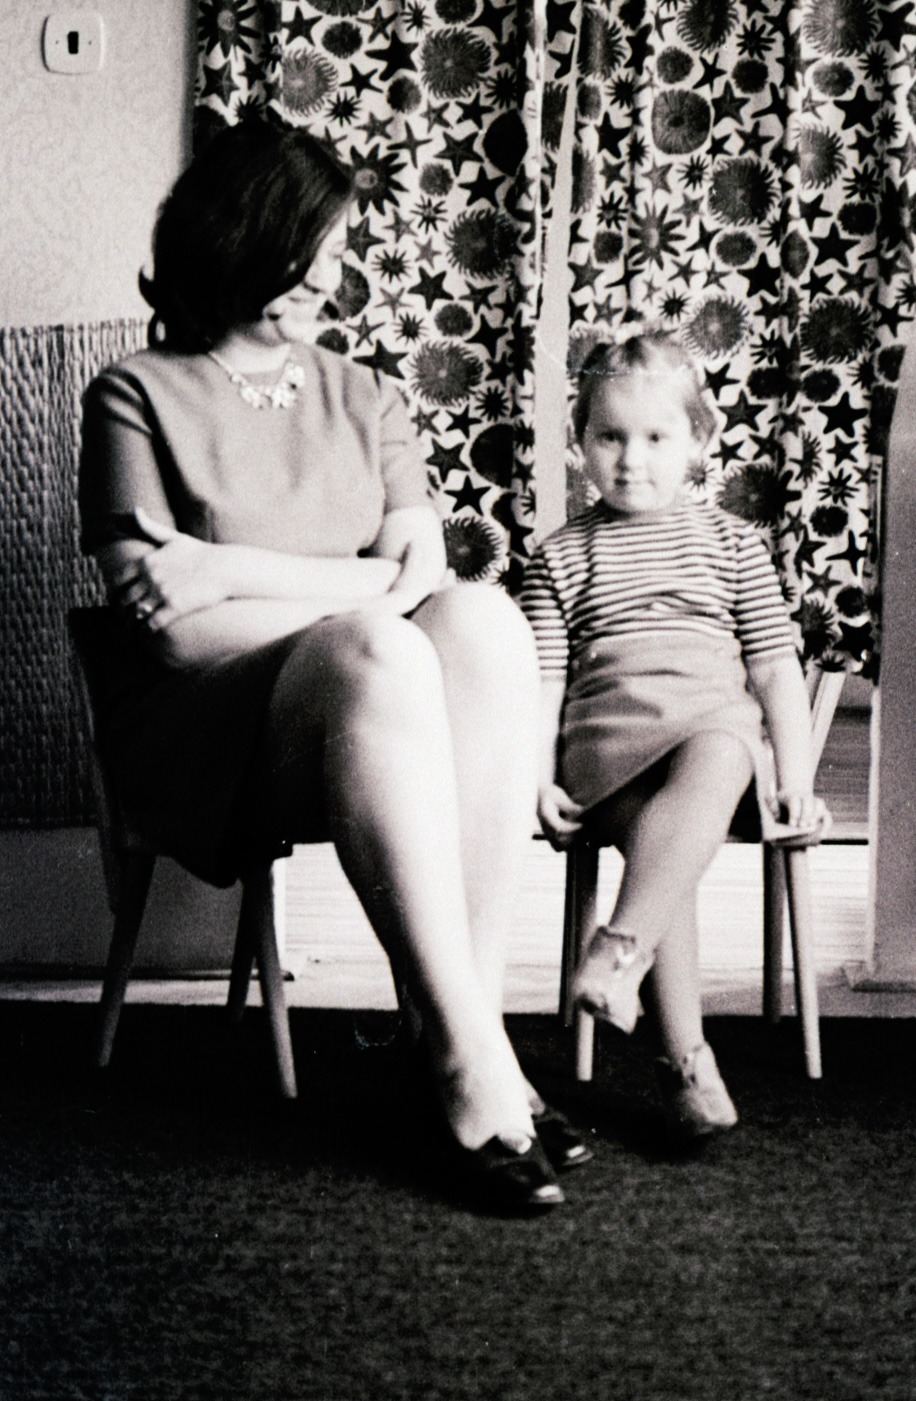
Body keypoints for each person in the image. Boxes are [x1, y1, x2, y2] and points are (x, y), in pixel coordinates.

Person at [78, 119, 590, 1211]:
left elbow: (420, 576)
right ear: (239, 237)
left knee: (484, 622)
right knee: (379, 646)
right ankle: (463, 1062)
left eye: (337, 246)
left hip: (364, 713)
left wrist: (223, 567)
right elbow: (173, 631)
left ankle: (466, 1029)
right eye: (309, 245)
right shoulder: (133, 393)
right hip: (207, 731)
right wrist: (354, 590)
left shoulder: (366, 394)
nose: (329, 274)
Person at [521, 332, 830, 1141]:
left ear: (699, 438)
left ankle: (631, 969)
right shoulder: (558, 558)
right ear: (578, 441)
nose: (630, 459)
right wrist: (534, 772)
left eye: (656, 437)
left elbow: (771, 670)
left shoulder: (732, 545)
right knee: (673, 844)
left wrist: (795, 774)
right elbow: (543, 683)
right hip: (609, 751)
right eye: (608, 437)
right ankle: (681, 1055)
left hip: (709, 750)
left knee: (728, 740)